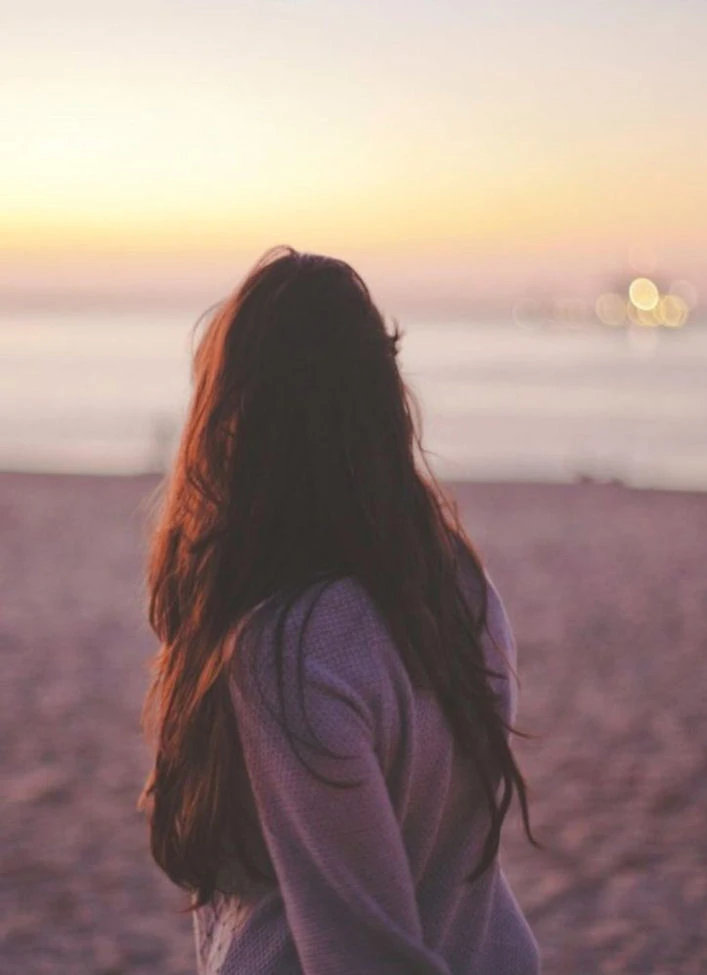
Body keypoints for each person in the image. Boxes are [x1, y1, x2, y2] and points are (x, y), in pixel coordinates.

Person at [140, 247, 540, 974]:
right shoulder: (454, 581)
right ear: (382, 403)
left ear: (236, 418)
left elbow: (362, 953)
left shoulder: (288, 651)